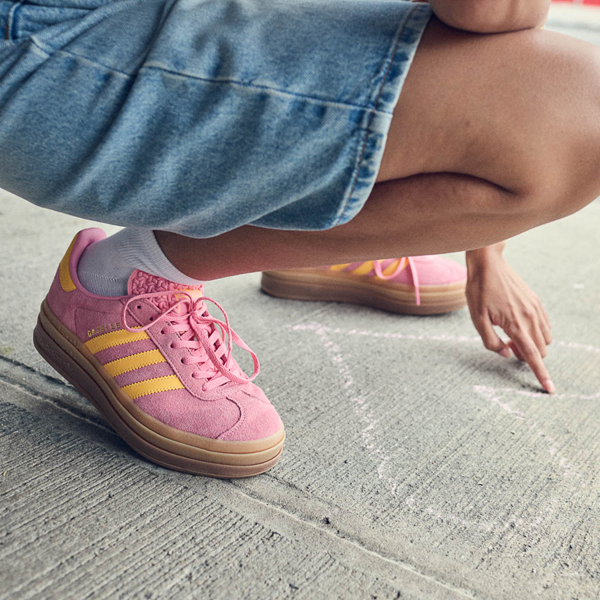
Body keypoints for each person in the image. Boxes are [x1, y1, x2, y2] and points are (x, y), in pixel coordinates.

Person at [1, 0, 598, 477]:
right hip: (41, 38)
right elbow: (492, 14)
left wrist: (487, 247)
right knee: (582, 112)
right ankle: (124, 280)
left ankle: (303, 223)